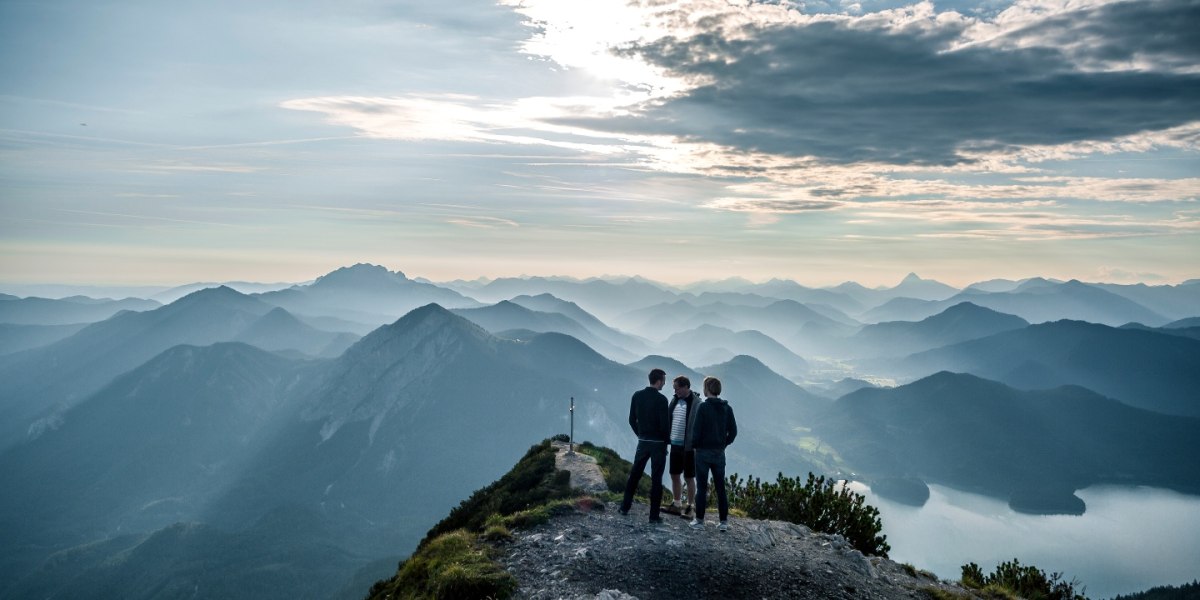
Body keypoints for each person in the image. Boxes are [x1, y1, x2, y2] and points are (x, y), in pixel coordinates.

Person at [619, 368, 671, 523]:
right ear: (659, 381)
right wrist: (665, 442)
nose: (664, 384)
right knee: (657, 480)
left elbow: (631, 420)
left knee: (635, 475)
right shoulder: (662, 400)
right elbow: (664, 426)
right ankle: (653, 516)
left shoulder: (637, 396)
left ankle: (624, 507)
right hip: (658, 444)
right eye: (664, 381)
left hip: (643, 442)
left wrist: (640, 435)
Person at [690, 376, 737, 532]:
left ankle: (699, 521)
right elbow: (733, 432)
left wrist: (695, 446)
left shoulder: (703, 408)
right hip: (719, 453)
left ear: (707, 389)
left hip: (703, 453)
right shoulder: (727, 408)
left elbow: (696, 432)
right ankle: (723, 522)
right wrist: (724, 444)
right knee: (720, 488)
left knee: (702, 488)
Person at [662, 375, 698, 518]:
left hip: (688, 447)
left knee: (689, 477)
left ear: (685, 387)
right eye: (674, 388)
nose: (675, 391)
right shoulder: (674, 400)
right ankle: (676, 505)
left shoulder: (696, 403)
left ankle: (690, 507)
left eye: (677, 388)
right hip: (675, 444)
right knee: (674, 474)